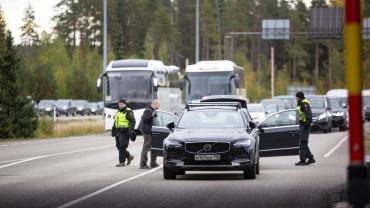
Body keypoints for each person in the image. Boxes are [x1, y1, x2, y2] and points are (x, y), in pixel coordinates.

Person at [111, 99, 136, 167]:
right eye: (119, 104)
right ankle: (128, 156)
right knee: (118, 146)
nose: (120, 105)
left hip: (125, 131)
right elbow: (116, 122)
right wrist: (113, 130)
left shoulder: (128, 112)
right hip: (118, 132)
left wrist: (131, 129)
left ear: (125, 104)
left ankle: (122, 162)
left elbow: (133, 121)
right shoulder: (118, 112)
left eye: (122, 104)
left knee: (122, 146)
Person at [295, 92, 316, 166]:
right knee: (303, 142)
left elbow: (309, 115)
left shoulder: (304, 104)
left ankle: (303, 160)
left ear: (299, 97)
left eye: (296, 97)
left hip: (305, 125)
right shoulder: (300, 103)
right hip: (302, 125)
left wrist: (307, 125)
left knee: (302, 143)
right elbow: (298, 114)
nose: (296, 98)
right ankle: (311, 158)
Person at [138, 99, 160, 169]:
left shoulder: (152, 111)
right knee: (146, 147)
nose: (159, 106)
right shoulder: (148, 110)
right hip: (146, 131)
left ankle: (153, 163)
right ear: (154, 104)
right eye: (158, 105)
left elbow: (152, 118)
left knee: (153, 146)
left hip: (151, 131)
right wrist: (152, 116)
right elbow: (145, 120)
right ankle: (143, 163)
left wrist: (154, 115)